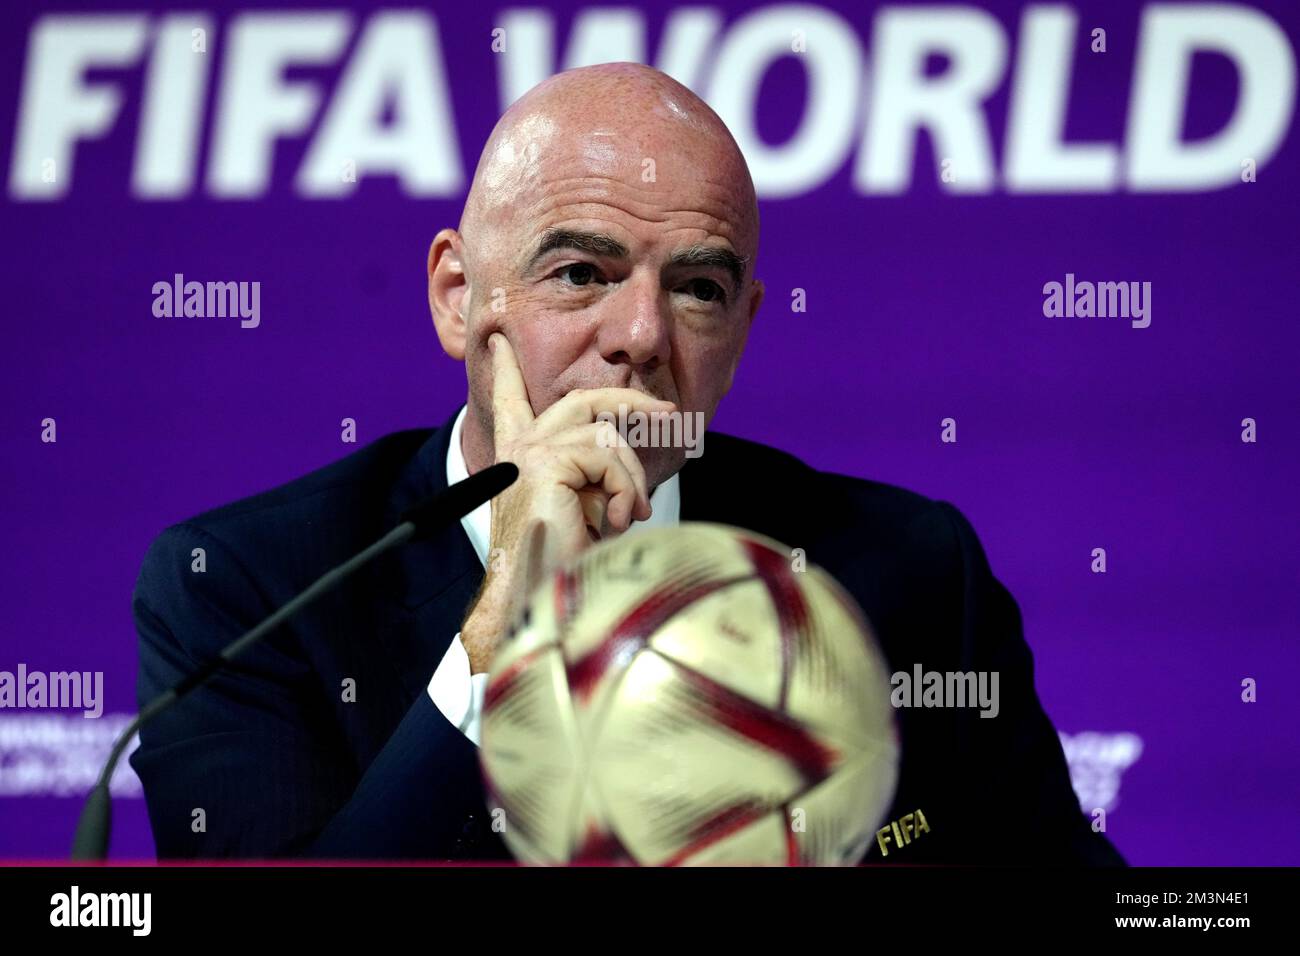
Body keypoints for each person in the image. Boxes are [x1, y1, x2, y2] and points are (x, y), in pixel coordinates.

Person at [130, 62, 1123, 865]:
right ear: (455, 298)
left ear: (741, 330)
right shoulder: (251, 591)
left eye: (696, 288)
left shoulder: (905, 571)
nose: (642, 335)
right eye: (580, 274)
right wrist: (504, 626)